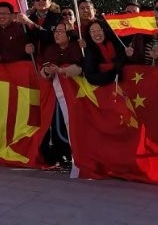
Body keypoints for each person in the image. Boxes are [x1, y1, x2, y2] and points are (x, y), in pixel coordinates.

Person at [38, 26, 82, 169]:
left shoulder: (77, 47)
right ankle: (63, 155)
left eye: (61, 32)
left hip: (79, 95)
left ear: (69, 35)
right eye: (56, 32)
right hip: (58, 94)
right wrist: (47, 71)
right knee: (59, 124)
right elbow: (44, 71)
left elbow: (80, 68)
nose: (57, 34)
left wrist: (62, 70)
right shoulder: (51, 49)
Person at [82, 20, 126, 85]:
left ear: (104, 30)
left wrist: (130, 55)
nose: (97, 33)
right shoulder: (89, 50)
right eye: (93, 31)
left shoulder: (117, 42)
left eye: (99, 30)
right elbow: (91, 77)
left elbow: (124, 61)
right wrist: (113, 74)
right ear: (89, 34)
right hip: (106, 90)